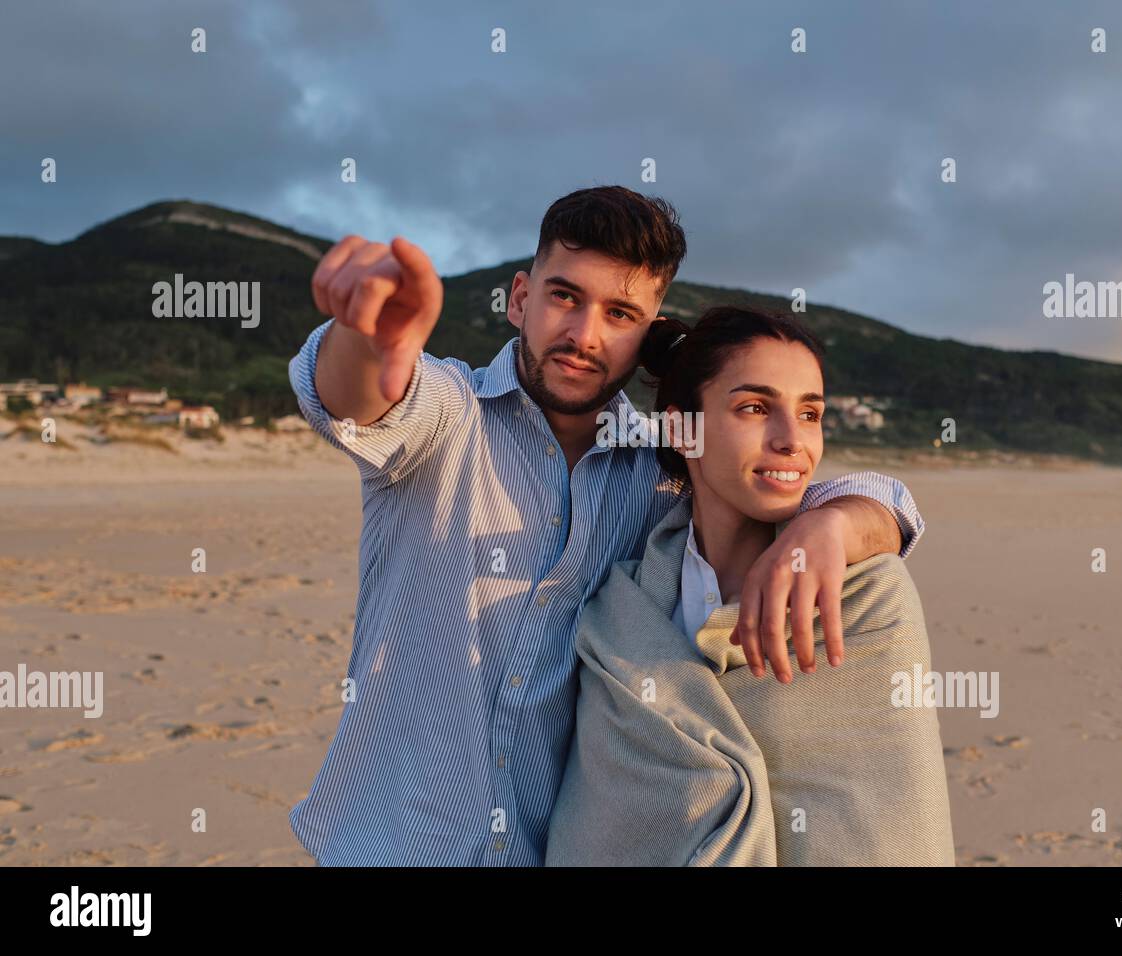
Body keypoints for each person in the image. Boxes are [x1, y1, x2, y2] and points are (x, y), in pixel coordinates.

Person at [287, 185, 926, 865]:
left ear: (647, 331)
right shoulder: (446, 419)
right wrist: (364, 337)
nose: (584, 335)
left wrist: (830, 527)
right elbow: (360, 400)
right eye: (565, 297)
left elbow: (869, 496)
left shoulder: (663, 476)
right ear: (519, 298)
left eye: (620, 313)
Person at [545, 307, 955, 866]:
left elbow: (894, 824)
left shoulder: (868, 592)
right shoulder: (621, 610)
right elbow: (599, 830)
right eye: (756, 408)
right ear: (680, 427)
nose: (792, 441)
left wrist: (835, 521)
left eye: (810, 414)